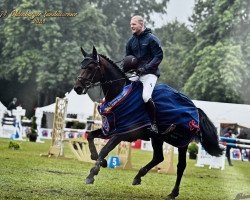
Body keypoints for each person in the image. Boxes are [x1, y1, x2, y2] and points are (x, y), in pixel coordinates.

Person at [123, 15, 163, 134]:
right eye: (131, 24)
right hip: (136, 74)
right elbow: (127, 58)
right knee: (124, 91)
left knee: (145, 97)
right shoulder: (130, 42)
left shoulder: (152, 39)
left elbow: (159, 56)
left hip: (150, 74)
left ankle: (154, 124)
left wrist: (145, 68)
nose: (131, 26)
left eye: (134, 24)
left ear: (141, 24)